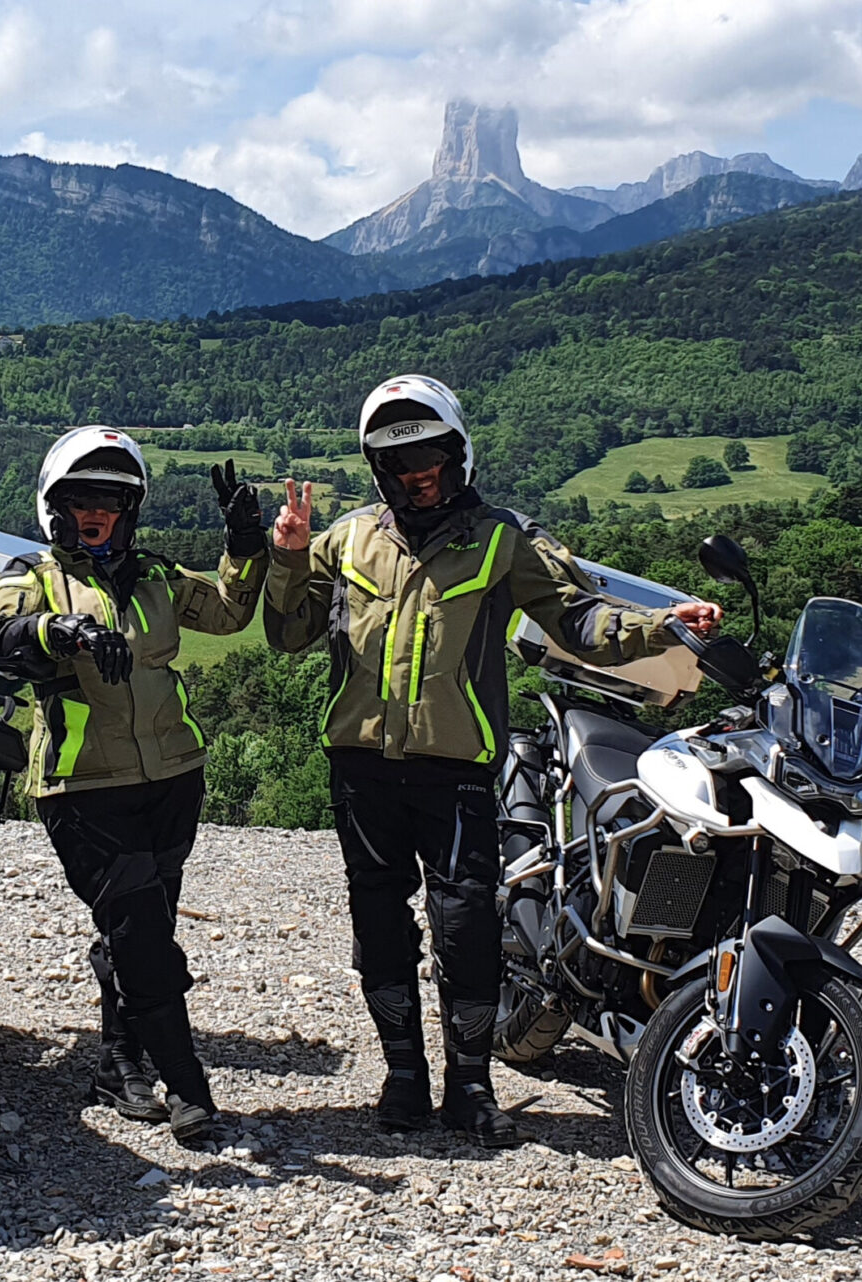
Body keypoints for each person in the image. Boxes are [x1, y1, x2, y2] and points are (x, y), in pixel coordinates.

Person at [262, 375, 723, 1144]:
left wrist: (659, 626)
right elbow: (287, 632)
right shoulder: (347, 539)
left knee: (466, 925)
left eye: (433, 456)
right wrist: (284, 555)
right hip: (362, 769)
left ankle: (471, 1086)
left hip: (456, 769)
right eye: (401, 462)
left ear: (457, 454)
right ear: (380, 469)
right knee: (379, 925)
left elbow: (577, 620)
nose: (419, 473)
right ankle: (404, 1076)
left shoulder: (503, 539)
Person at [0, 425, 269, 1143]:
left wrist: (245, 541)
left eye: (110, 501)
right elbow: (0, 633)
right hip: (84, 787)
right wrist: (64, 632)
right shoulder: (36, 577)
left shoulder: (157, 577)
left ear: (129, 512)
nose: (96, 511)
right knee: (141, 932)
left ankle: (119, 1062)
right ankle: (189, 1086)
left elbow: (232, 612)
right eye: (81, 498)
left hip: (174, 775)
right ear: (54, 507)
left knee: (142, 927)